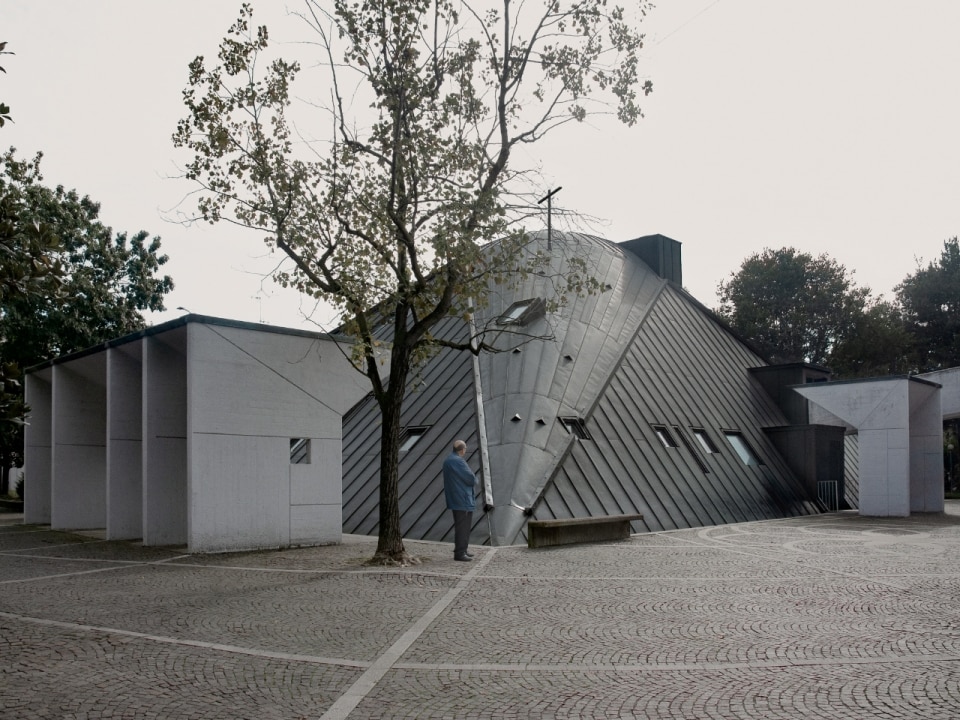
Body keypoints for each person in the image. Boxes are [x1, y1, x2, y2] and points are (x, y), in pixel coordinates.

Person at [442, 439, 477, 561]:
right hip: (463, 499)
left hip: (456, 498)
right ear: (462, 450)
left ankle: (462, 550)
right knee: (463, 528)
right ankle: (460, 553)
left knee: (461, 527)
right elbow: (471, 479)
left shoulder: (448, 460)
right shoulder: (458, 461)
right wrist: (474, 479)